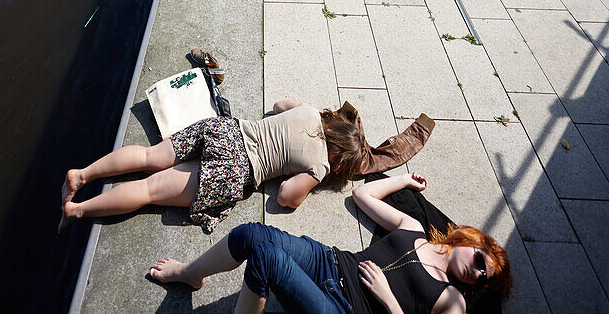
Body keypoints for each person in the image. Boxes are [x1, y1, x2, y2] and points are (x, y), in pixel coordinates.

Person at [148, 170, 511, 313]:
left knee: (265, 260)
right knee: (252, 235)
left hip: (347, 310)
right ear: (471, 241)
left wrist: (387, 298)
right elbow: (363, 196)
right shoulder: (414, 226)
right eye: (482, 263)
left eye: (485, 279)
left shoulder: (453, 301)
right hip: (332, 263)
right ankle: (189, 272)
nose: (478, 274)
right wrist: (402, 180)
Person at [60, 99, 435, 235]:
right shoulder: (321, 165)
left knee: (146, 157)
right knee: (148, 191)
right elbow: (286, 198)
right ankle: (77, 210)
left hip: (227, 129)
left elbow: (277, 106)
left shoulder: (306, 111)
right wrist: (309, 181)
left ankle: (83, 174)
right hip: (237, 168)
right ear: (341, 163)